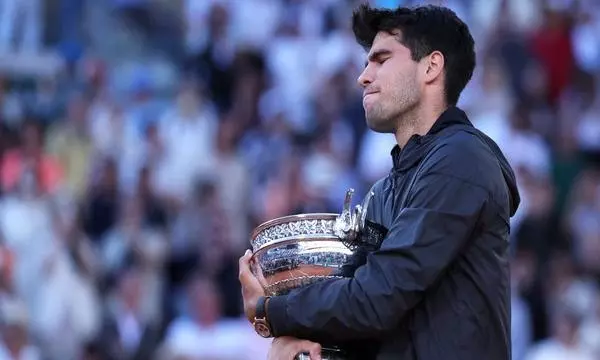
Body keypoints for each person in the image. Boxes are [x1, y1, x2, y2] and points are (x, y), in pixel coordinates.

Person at [239, 4, 520, 360]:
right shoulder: (384, 191)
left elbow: (380, 296)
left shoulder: (461, 160)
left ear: (431, 67)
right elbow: (368, 318)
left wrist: (272, 312)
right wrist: (303, 344)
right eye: (366, 62)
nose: (363, 76)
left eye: (381, 60)